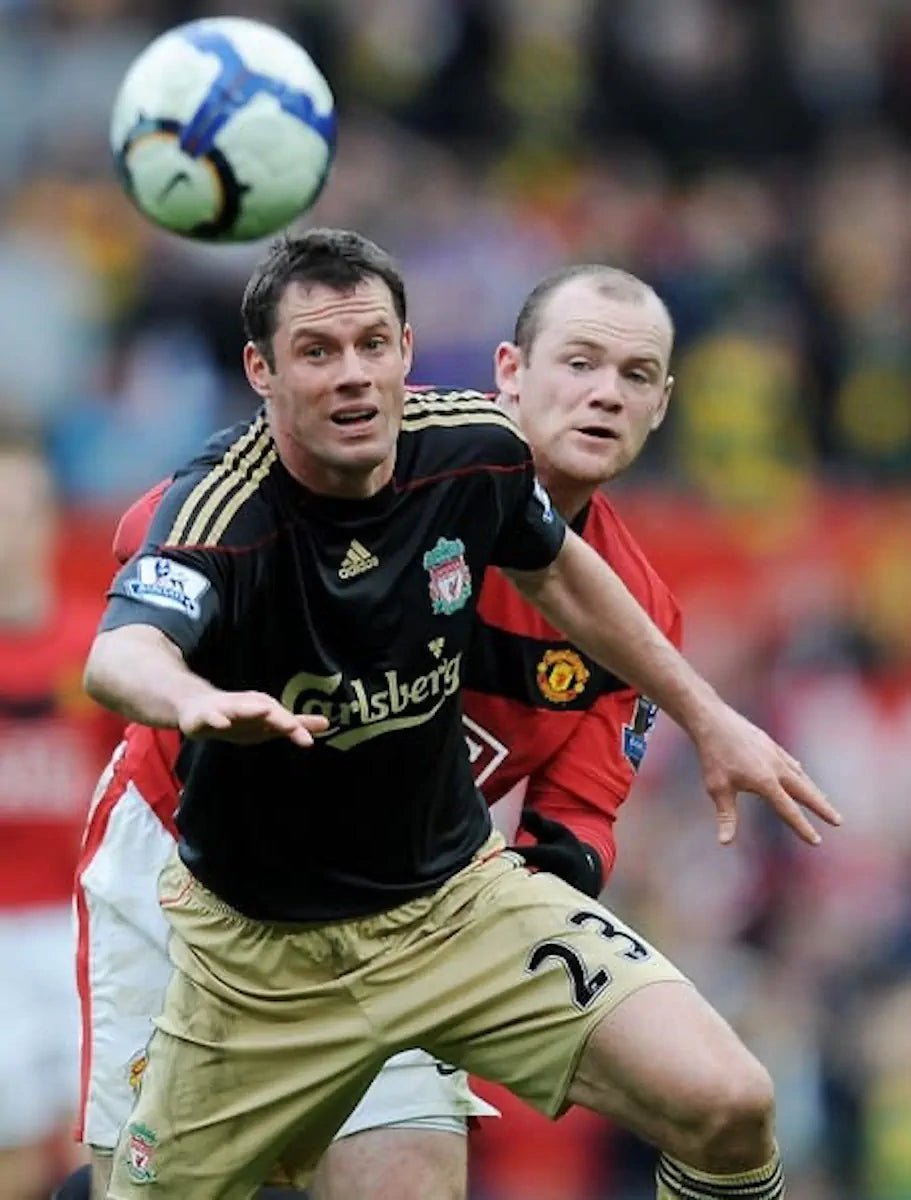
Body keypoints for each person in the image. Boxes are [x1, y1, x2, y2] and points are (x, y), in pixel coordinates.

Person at [82, 229, 839, 1200]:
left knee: (719, 1102)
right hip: (199, 867)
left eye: (634, 372)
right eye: (579, 362)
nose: (604, 391)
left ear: (661, 405)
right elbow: (149, 567)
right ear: (508, 373)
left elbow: (577, 813)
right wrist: (194, 681)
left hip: (428, 891)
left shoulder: (597, 590)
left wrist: (705, 719)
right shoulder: (305, 472)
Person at [0, 426, 121, 1199]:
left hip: (88, 934)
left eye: (24, 509)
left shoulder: (103, 646)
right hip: (1, 931)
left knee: (104, 1147)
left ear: (51, 520)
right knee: (9, 1150)